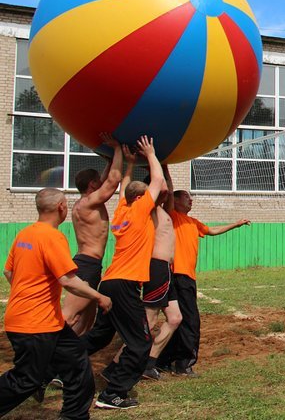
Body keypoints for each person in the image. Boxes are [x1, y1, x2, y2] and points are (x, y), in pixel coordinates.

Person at [0, 188, 112, 420]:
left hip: (44, 321)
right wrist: (98, 296)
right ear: (61, 207)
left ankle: (74, 415)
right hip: (34, 325)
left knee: (76, 362)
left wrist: (28, 292)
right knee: (26, 379)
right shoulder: (52, 237)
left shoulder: (24, 234)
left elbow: (8, 271)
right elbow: (68, 280)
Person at [82, 136, 164, 410]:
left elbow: (123, 191)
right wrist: (151, 154)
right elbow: (158, 182)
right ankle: (112, 393)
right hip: (124, 285)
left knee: (100, 336)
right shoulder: (140, 208)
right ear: (142, 199)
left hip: (109, 283)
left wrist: (129, 166)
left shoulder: (122, 211)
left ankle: (56, 365)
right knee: (141, 343)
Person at [157, 187, 250, 376]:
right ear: (175, 201)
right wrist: (165, 172)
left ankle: (163, 360)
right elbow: (166, 196)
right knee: (191, 322)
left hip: (188, 277)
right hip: (178, 276)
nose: (191, 200)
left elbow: (212, 230)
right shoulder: (172, 216)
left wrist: (236, 224)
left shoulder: (193, 222)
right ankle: (183, 365)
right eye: (186, 197)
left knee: (179, 320)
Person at [62, 133, 123, 336]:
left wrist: (108, 162)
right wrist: (116, 149)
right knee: (69, 316)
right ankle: (43, 359)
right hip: (86, 266)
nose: (101, 180)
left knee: (86, 320)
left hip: (91, 264)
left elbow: (105, 179)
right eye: (98, 181)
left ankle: (71, 361)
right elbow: (113, 180)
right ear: (92, 185)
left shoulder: (84, 202)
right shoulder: (89, 203)